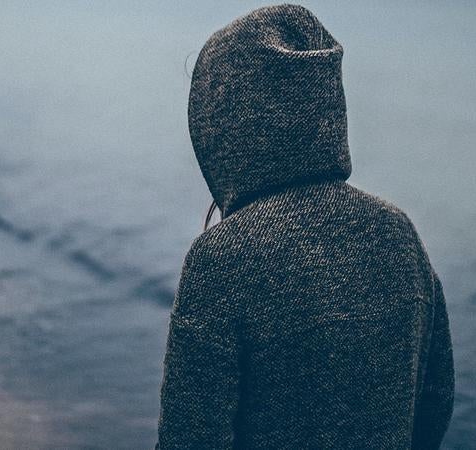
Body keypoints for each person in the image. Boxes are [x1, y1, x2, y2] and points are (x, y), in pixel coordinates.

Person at [156, 4, 454, 449]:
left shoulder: (221, 262)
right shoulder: (399, 235)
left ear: (222, 125)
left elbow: (189, 440)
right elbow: (436, 402)